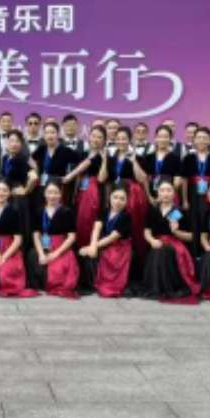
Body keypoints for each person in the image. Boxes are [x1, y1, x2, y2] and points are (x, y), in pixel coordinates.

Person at [139, 180, 199, 302]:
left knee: (164, 250)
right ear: (158, 193)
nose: (165, 193)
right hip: (157, 241)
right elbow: (146, 231)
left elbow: (191, 237)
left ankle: (167, 287)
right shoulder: (153, 210)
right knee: (158, 249)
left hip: (175, 244)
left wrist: (176, 232)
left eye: (169, 190)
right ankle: (155, 287)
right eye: (162, 190)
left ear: (174, 193)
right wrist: (152, 241)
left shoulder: (179, 211)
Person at [98, 126, 149, 268]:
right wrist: (104, 160)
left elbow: (142, 178)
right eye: (118, 139)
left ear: (129, 140)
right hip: (114, 194)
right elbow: (101, 179)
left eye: (124, 139)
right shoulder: (111, 158)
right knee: (114, 225)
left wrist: (134, 161)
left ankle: (136, 264)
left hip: (133, 195)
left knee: (134, 227)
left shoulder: (138, 157)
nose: (121, 141)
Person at [78, 185, 132, 298]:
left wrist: (91, 247)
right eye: (115, 197)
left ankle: (101, 282)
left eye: (122, 199)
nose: (118, 201)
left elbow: (112, 237)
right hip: (103, 242)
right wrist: (92, 246)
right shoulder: (104, 212)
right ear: (110, 198)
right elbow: (96, 229)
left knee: (97, 253)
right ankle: (91, 283)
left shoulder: (126, 216)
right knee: (86, 254)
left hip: (119, 248)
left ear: (126, 201)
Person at [27, 181, 79, 297]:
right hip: (42, 245)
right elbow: (36, 235)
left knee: (60, 268)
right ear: (44, 193)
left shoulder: (66, 211)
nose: (52, 196)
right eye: (49, 192)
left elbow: (71, 237)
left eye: (56, 193)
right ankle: (39, 285)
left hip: (60, 246)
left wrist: (56, 253)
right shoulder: (39, 211)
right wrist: (41, 253)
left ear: (60, 194)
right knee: (32, 255)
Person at [181, 127, 210, 263]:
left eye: (205, 138)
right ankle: (195, 254)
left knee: (209, 220)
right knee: (194, 222)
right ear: (193, 140)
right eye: (198, 137)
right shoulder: (188, 158)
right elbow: (184, 180)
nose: (201, 140)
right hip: (193, 193)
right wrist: (185, 200)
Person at [68, 125, 106, 249]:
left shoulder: (103, 157)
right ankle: (78, 248)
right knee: (77, 218)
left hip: (93, 191)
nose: (96, 139)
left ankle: (89, 247)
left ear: (104, 141)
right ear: (89, 137)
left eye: (99, 137)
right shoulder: (83, 153)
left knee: (89, 218)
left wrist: (69, 177)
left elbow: (100, 178)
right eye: (94, 136)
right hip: (79, 189)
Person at [138, 125, 181, 203]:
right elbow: (144, 179)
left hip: (169, 197)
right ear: (156, 138)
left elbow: (177, 182)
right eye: (160, 136)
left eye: (165, 137)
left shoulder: (175, 158)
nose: (162, 139)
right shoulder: (148, 157)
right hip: (151, 197)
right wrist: (149, 197)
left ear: (170, 138)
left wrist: (166, 195)